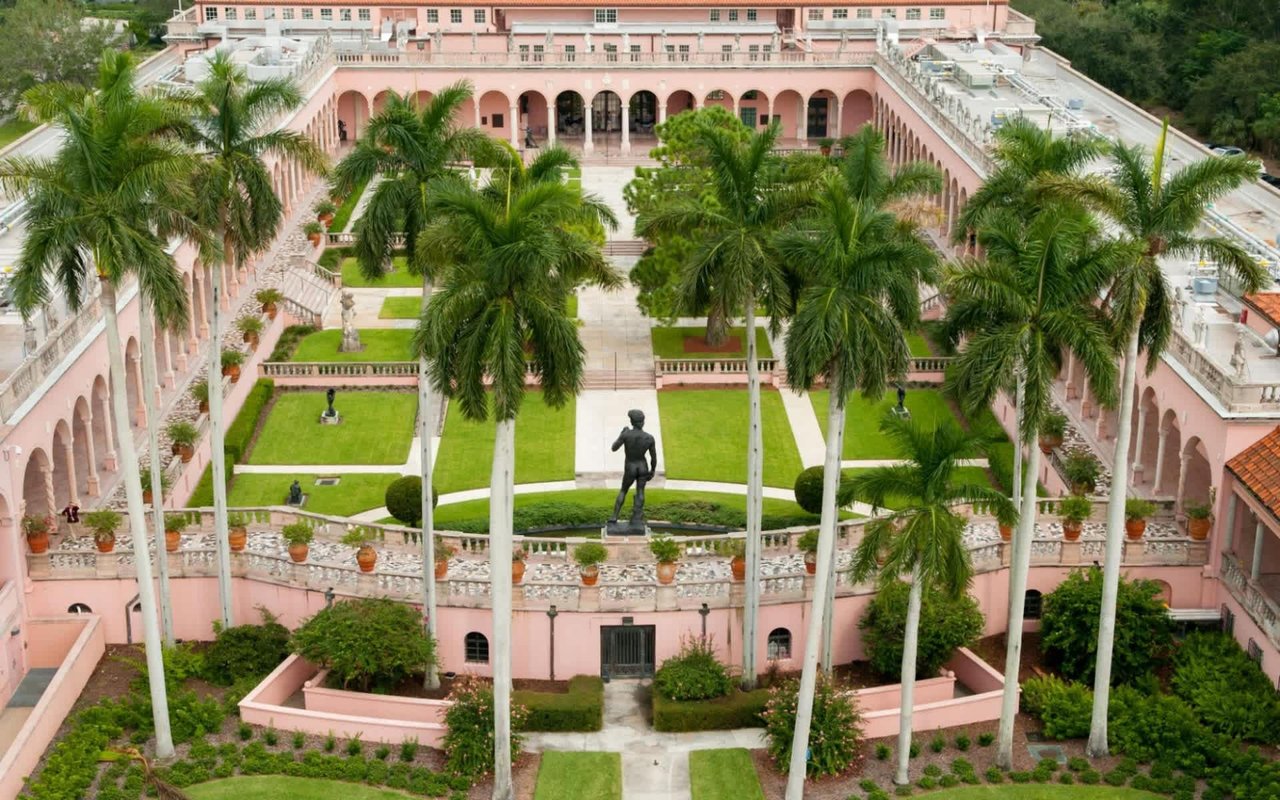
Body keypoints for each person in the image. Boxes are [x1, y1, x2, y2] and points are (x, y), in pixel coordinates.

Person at [609, 410, 658, 525]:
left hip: (631, 466)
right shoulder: (649, 438)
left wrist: (621, 434)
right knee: (640, 491)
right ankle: (637, 517)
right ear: (643, 422)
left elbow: (614, 448)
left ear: (631, 422)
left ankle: (614, 516)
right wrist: (652, 470)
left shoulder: (626, 434)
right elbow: (653, 457)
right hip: (643, 466)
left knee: (623, 490)